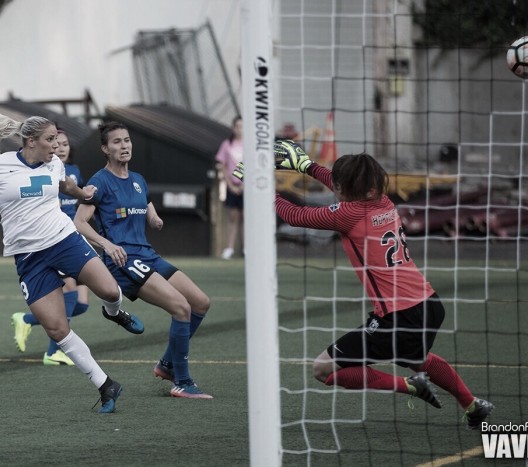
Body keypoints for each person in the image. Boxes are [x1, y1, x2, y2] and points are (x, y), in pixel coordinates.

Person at [234, 140, 494, 429]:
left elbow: (295, 215)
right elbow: (342, 183)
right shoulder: (384, 200)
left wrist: (259, 185)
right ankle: (473, 405)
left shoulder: (349, 214)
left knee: (323, 369)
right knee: (419, 358)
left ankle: (409, 386)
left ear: (345, 188)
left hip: (399, 316)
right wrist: (306, 166)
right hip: (429, 305)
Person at [0, 109, 144, 413]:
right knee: (57, 330)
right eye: (50, 140)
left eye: (57, 140)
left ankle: (114, 313)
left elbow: (66, 186)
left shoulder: (54, 164)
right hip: (28, 257)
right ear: (31, 142)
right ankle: (106, 385)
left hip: (64, 240)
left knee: (111, 292)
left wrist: (83, 192)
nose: (56, 147)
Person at [74, 121, 213, 399]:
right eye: (116, 142)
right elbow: (79, 222)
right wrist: (107, 244)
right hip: (124, 261)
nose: (124, 146)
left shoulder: (138, 179)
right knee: (181, 308)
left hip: (148, 255)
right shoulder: (98, 182)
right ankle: (182, 382)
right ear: (105, 148)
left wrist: (154, 218)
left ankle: (166, 365)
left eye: (127, 141)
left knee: (200, 302)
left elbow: (145, 202)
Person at [10, 129, 97, 366]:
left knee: (81, 305)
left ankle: (27, 319)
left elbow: (81, 202)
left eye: (66, 144)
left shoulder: (75, 172)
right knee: (68, 292)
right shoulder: (45, 170)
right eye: (56, 144)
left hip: (76, 238)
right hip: (56, 241)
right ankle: (53, 352)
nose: (61, 147)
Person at [215, 115, 243, 260]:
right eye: (237, 126)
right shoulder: (227, 144)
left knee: (246, 218)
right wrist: (231, 185)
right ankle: (230, 248)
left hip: (246, 187)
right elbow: (222, 166)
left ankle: (247, 248)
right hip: (232, 186)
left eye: (242, 126)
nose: (240, 130)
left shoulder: (250, 145)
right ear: (233, 128)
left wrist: (244, 185)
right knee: (233, 217)